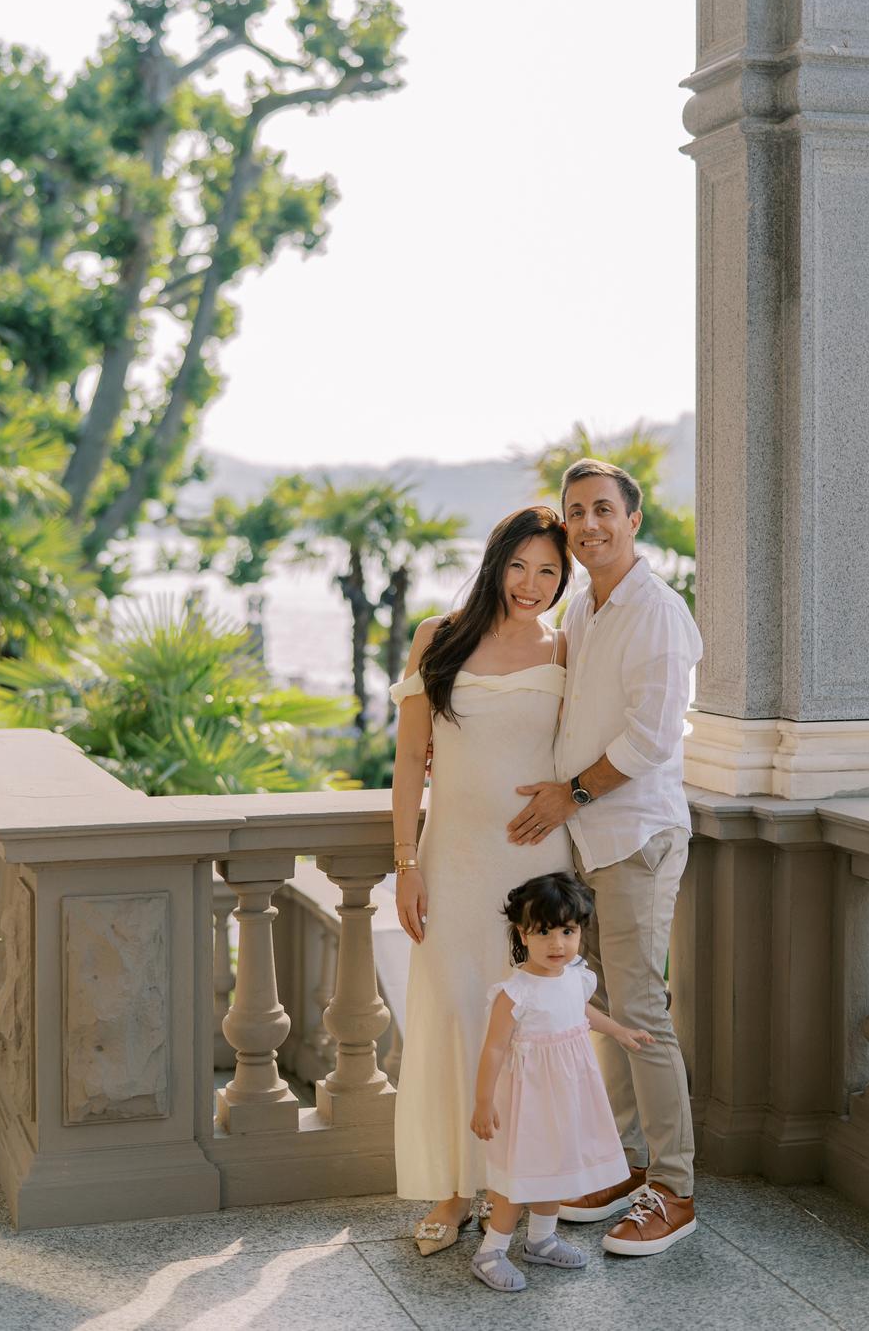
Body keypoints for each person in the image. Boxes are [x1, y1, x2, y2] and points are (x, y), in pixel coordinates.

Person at [507, 458, 703, 1256]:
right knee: (614, 1007)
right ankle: (621, 1165)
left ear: (633, 520)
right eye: (576, 512)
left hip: (635, 838)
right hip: (591, 837)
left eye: (603, 510)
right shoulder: (586, 608)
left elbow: (655, 737)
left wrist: (569, 797)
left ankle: (676, 1187)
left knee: (641, 1009)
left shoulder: (655, 611)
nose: (588, 524)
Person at [390, 506, 574, 1256]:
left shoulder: (567, 648)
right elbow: (408, 762)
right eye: (520, 566)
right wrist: (406, 863)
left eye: (550, 572)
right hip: (454, 860)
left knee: (531, 1029)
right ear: (496, 561)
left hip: (536, 865)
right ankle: (450, 1190)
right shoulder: (438, 636)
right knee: (453, 1011)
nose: (531, 585)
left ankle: (521, 1192)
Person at [469, 872, 652, 1292]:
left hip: (568, 1096)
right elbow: (494, 1049)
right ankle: (491, 1251)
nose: (557, 944)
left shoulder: (577, 977)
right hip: (528, 1101)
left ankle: (540, 1239)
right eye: (545, 932)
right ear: (523, 934)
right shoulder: (515, 992)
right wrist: (483, 1102)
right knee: (521, 1176)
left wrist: (619, 1031)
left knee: (556, 1168)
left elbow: (582, 1012)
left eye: (567, 931)